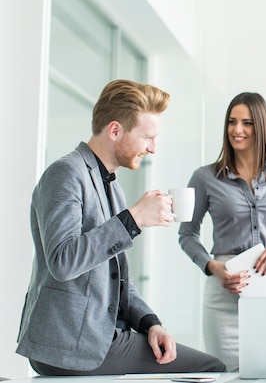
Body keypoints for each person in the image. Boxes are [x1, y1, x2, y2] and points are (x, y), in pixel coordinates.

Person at [16, 79, 226, 375]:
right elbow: (63, 262)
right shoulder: (66, 173)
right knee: (211, 368)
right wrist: (134, 219)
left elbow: (116, 279)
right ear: (115, 130)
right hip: (69, 344)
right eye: (147, 137)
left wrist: (150, 322)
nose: (153, 148)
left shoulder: (111, 187)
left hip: (96, 335)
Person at [178, 92, 266, 371]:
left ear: (261, 127)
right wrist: (213, 267)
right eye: (232, 122)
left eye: (247, 123)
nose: (237, 130)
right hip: (224, 290)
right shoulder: (204, 177)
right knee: (227, 374)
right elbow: (187, 234)